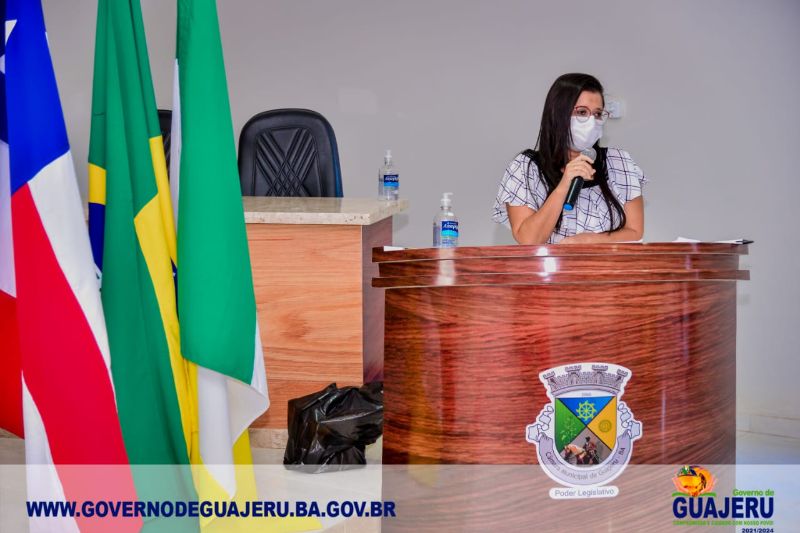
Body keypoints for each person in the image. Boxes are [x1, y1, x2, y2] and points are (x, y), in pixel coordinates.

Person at [492, 73, 646, 244]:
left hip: (610, 261)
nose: (591, 122)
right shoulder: (525, 168)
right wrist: (564, 185)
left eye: (597, 114)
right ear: (558, 115)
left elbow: (635, 232)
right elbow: (529, 240)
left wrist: (590, 240)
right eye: (581, 112)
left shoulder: (619, 162)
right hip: (551, 262)